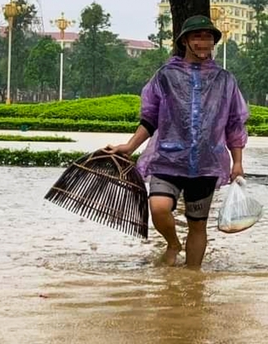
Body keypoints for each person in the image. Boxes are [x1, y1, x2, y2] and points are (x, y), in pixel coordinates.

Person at [106, 15, 249, 269]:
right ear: (185, 41)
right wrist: (129, 147)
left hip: (206, 163)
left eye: (208, 37)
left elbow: (234, 124)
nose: (203, 42)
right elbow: (150, 118)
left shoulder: (225, 80)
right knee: (159, 207)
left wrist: (237, 162)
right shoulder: (165, 76)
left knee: (197, 224)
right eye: (197, 37)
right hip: (167, 159)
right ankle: (172, 243)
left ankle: (193, 282)